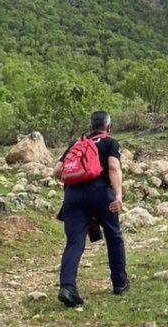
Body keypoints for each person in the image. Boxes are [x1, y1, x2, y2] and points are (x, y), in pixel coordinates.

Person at [53, 111, 128, 308]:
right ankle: (119, 283)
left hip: (72, 197)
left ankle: (67, 287)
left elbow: (57, 171)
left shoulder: (77, 144)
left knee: (74, 242)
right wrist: (118, 194)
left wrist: (76, 185)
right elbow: (113, 168)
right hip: (100, 193)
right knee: (113, 235)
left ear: (90, 127)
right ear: (108, 127)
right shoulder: (110, 143)